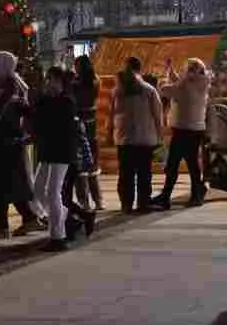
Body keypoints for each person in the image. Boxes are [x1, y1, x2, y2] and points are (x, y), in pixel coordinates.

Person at [0, 51, 44, 238]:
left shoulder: (12, 88)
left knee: (3, 184)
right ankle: (29, 219)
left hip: (7, 142)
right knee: (9, 185)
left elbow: (11, 114)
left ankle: (2, 227)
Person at [31, 65, 81, 251]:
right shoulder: (45, 101)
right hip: (47, 151)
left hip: (61, 151)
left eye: (52, 79)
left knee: (53, 191)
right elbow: (37, 120)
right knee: (37, 190)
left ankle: (57, 237)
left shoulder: (66, 102)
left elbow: (58, 126)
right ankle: (66, 217)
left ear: (61, 82)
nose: (49, 83)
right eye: (48, 79)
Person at [153, 57, 210, 210]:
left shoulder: (185, 86)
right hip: (196, 129)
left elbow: (164, 88)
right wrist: (171, 70)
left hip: (183, 130)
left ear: (190, 71)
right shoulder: (201, 83)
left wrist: (164, 73)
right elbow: (179, 81)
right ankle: (197, 192)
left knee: (173, 164)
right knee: (192, 164)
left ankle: (166, 197)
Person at [111, 56, 164, 214]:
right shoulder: (149, 90)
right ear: (140, 69)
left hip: (124, 139)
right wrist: (159, 136)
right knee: (144, 173)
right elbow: (157, 115)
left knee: (126, 174)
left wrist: (111, 133)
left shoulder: (118, 91)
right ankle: (143, 203)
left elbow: (113, 114)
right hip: (145, 139)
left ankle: (126, 204)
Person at [71, 55, 104, 211]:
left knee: (81, 168)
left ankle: (84, 202)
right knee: (92, 165)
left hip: (79, 125)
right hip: (92, 125)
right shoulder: (95, 81)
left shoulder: (76, 84)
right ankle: (98, 201)